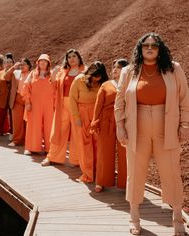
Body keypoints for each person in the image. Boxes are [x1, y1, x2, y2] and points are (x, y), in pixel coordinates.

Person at [114, 32, 189, 235]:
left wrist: (185, 125)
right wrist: (120, 126)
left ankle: (177, 219)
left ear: (160, 49)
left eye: (154, 45)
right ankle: (134, 216)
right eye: (145, 45)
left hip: (168, 126)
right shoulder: (129, 71)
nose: (149, 48)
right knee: (135, 173)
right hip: (136, 127)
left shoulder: (174, 69)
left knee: (172, 173)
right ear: (140, 48)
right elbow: (119, 100)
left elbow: (184, 99)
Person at [41, 49, 85, 166]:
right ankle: (52, 157)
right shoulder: (63, 71)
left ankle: (78, 160)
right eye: (69, 57)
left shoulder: (85, 72)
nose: (72, 59)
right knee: (58, 131)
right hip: (63, 106)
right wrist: (54, 76)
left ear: (79, 58)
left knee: (78, 133)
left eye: (74, 56)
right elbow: (54, 86)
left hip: (78, 106)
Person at [90, 59, 129, 193]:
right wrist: (95, 121)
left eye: (118, 67)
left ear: (125, 70)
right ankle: (101, 181)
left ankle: (126, 183)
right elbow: (98, 105)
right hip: (106, 121)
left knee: (125, 153)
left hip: (125, 121)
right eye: (113, 67)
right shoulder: (106, 85)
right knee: (104, 151)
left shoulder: (130, 84)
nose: (114, 70)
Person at [69, 61, 109, 183]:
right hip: (83, 114)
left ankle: (98, 172)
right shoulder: (79, 80)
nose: (97, 78)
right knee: (85, 145)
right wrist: (76, 117)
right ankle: (87, 174)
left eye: (99, 76)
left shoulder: (104, 83)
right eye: (95, 75)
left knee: (98, 144)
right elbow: (72, 99)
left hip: (97, 115)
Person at [22, 54, 55, 154]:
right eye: (41, 61)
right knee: (34, 125)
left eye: (45, 61)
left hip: (49, 104)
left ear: (48, 63)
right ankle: (32, 148)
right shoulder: (32, 74)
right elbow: (26, 87)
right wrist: (27, 102)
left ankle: (49, 149)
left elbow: (57, 88)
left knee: (49, 126)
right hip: (34, 104)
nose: (43, 63)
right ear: (38, 63)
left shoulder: (52, 74)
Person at [5, 58, 32, 146]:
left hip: (29, 100)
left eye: (24, 64)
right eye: (21, 64)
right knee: (17, 121)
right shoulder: (16, 72)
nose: (22, 66)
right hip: (17, 99)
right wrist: (13, 67)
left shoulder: (32, 74)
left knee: (28, 121)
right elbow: (6, 77)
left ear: (29, 65)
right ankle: (16, 140)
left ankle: (28, 140)